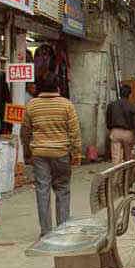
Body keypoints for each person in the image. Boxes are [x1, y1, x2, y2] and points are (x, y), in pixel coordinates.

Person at [21, 72, 82, 237]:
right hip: (61, 153)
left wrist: (27, 152)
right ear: (58, 86)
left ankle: (46, 232)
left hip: (39, 154)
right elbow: (74, 131)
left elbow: (25, 132)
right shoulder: (66, 105)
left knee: (42, 190)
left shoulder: (32, 105)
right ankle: (62, 230)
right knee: (62, 189)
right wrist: (76, 153)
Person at [106, 83, 135, 164]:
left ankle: (117, 176)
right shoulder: (133, 105)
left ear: (119, 94)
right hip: (128, 133)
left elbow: (108, 120)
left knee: (116, 159)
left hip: (115, 132)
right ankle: (128, 176)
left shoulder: (111, 105)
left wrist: (111, 129)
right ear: (129, 94)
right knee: (129, 159)